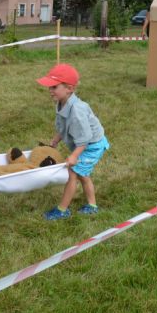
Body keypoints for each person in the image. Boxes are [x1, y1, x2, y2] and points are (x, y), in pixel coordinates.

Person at [36, 63, 110, 221]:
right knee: (83, 175)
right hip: (86, 144)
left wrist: (75, 156)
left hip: (92, 146)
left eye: (54, 87)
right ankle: (92, 205)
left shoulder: (77, 110)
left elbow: (85, 138)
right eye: (49, 87)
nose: (50, 90)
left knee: (73, 172)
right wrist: (56, 139)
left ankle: (62, 210)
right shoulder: (62, 103)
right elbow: (64, 125)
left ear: (69, 88)